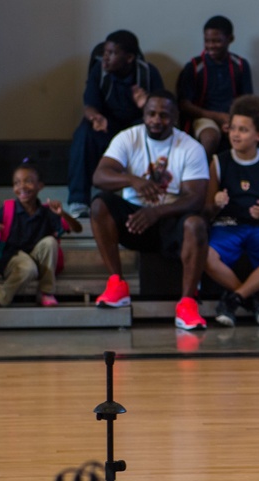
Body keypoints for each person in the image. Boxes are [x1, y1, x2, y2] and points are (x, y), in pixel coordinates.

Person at [90, 91, 210, 330]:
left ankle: (187, 304)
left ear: (175, 117)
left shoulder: (190, 147)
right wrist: (133, 180)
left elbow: (195, 198)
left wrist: (156, 212)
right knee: (99, 205)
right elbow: (99, 176)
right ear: (143, 115)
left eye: (164, 115)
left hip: (170, 222)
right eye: (151, 114)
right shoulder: (127, 138)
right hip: (135, 219)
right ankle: (117, 284)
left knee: (195, 223)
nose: (156, 120)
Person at [204, 95, 259, 327]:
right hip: (227, 225)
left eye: (243, 129)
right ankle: (252, 298)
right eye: (233, 128)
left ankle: (235, 298)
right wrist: (216, 202)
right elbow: (207, 209)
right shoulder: (218, 162)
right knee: (205, 255)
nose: (235, 134)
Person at [66, 30, 164, 218]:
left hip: (136, 127)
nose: (105, 58)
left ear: (129, 58)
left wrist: (146, 106)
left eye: (112, 53)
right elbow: (89, 105)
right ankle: (78, 200)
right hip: (106, 126)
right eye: (105, 52)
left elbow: (165, 112)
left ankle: (148, 197)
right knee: (84, 133)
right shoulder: (99, 71)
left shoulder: (148, 73)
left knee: (151, 134)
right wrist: (96, 117)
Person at [0, 161, 83, 308]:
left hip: (37, 261)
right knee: (28, 267)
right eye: (17, 183)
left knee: (50, 242)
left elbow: (77, 229)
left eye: (28, 182)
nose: (22, 187)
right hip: (13, 260)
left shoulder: (47, 212)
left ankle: (45, 292)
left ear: (40, 186)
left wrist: (63, 214)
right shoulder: (8, 209)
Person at [176, 15, 254, 157]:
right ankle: (200, 173)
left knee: (249, 136)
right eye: (207, 41)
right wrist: (217, 117)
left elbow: (247, 100)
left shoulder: (240, 65)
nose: (211, 46)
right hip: (204, 117)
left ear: (230, 39)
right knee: (210, 137)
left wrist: (232, 120)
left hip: (233, 117)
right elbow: (184, 104)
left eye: (217, 41)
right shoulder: (194, 66)